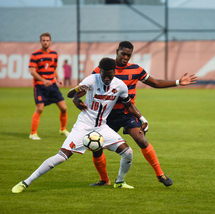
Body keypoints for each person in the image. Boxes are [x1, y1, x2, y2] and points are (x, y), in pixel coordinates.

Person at [12, 57, 148, 193]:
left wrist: (142, 119)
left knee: (128, 152)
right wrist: (77, 91)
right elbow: (71, 94)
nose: (107, 79)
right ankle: (25, 182)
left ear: (114, 73)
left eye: (110, 76)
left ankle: (119, 182)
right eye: (105, 75)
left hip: (102, 127)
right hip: (83, 126)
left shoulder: (120, 85)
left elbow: (129, 106)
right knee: (61, 157)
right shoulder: (92, 79)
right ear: (100, 71)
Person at [81, 41, 197, 187]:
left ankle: (160, 174)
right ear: (117, 51)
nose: (125, 57)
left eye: (128, 55)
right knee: (96, 147)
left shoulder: (136, 69)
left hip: (128, 112)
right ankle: (104, 180)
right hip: (107, 115)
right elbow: (89, 85)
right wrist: (78, 98)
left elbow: (155, 83)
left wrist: (178, 82)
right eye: (123, 53)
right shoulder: (104, 68)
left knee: (141, 139)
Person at [29, 32, 69, 140]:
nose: (45, 42)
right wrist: (43, 80)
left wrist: (58, 79)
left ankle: (62, 129)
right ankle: (33, 133)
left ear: (50, 41)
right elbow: (32, 71)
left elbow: (54, 68)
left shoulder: (54, 54)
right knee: (40, 108)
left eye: (47, 40)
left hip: (52, 85)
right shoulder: (35, 55)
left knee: (64, 108)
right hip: (40, 86)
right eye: (43, 40)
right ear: (40, 41)